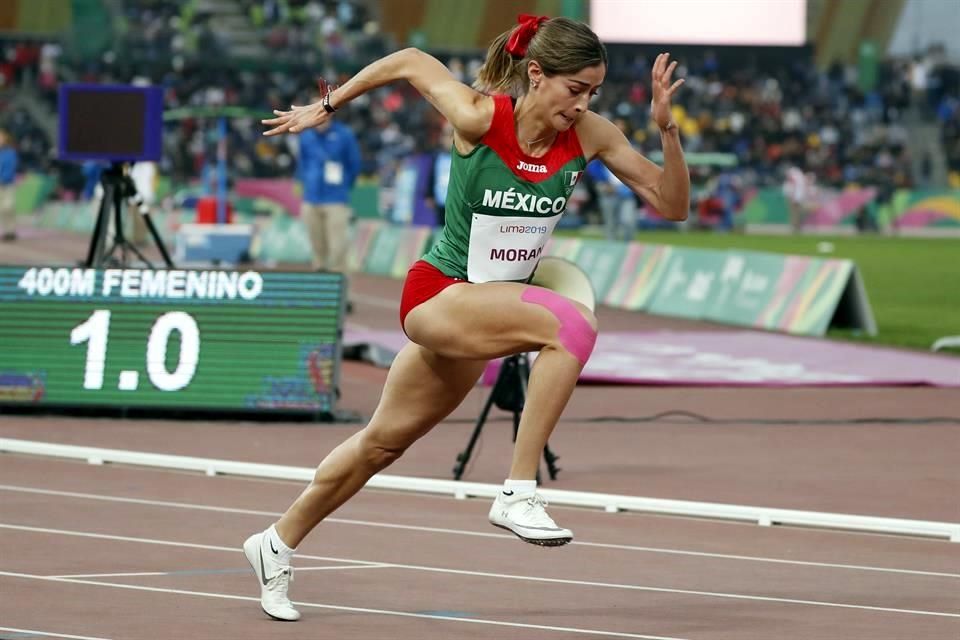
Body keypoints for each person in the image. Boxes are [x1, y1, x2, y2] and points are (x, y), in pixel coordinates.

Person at [247, 14, 689, 622]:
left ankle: (274, 543)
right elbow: (405, 57)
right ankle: (518, 489)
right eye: (575, 89)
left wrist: (666, 130)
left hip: (483, 318)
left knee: (380, 445)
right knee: (572, 327)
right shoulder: (481, 117)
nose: (584, 104)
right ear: (537, 74)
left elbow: (672, 203)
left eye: (594, 92)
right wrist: (330, 102)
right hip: (438, 297)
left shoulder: (590, 136)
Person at [295, 99, 361, 276]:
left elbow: (354, 165)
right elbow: (302, 164)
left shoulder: (344, 135)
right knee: (317, 251)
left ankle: (341, 298)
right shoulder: (306, 136)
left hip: (336, 200)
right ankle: (320, 295)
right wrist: (306, 184)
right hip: (311, 199)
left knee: (338, 250)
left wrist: (344, 186)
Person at [0, 128, 19, 242]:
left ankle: (11, 230)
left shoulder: (10, 152)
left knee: (8, 207)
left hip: (7, 185)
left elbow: (10, 169)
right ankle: (7, 232)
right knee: (2, 209)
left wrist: (3, 179)